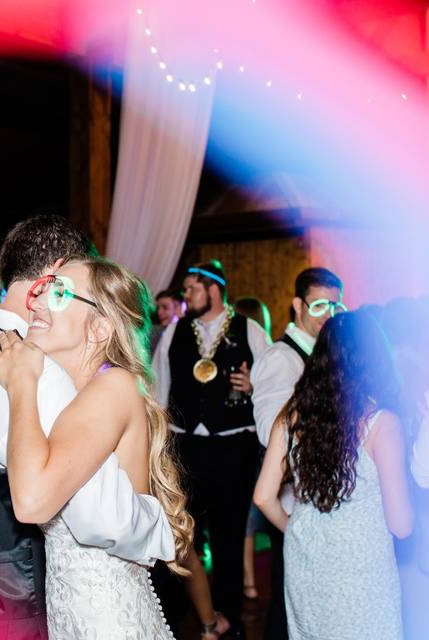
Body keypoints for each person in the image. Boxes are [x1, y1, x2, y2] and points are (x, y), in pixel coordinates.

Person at [0, 215, 175, 639]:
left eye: (62, 293)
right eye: (56, 287)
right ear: (52, 271)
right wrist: (156, 524)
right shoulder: (45, 369)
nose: (43, 303)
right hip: (21, 606)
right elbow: (98, 515)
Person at [0, 256, 191, 638]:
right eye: (43, 288)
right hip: (70, 613)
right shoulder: (70, 397)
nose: (37, 299)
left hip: (107, 620)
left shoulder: (114, 386)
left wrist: (22, 384)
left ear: (99, 327)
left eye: (59, 292)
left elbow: (31, 501)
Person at [253, 311, 413, 640]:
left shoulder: (292, 415)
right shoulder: (381, 424)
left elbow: (263, 496)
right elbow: (401, 524)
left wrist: (295, 527)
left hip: (304, 559)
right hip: (360, 567)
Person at [152, 260, 271, 638]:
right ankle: (175, 610)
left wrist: (255, 387)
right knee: (181, 533)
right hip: (185, 445)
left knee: (229, 534)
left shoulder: (249, 330)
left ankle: (229, 616)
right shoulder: (174, 332)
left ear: (214, 289)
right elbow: (159, 387)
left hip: (234, 445)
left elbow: (273, 385)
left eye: (191, 289)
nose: (185, 296)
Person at [249, 266, 344, 640]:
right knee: (289, 605)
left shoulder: (321, 355)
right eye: (320, 305)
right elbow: (270, 429)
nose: (329, 316)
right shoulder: (281, 358)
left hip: (314, 498)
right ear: (297, 305)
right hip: (289, 502)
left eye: (336, 307)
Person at [232, 295, 273, 602]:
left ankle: (248, 581)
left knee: (250, 514)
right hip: (258, 441)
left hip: (255, 441)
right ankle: (250, 581)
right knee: (254, 511)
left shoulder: (261, 348)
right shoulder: (265, 348)